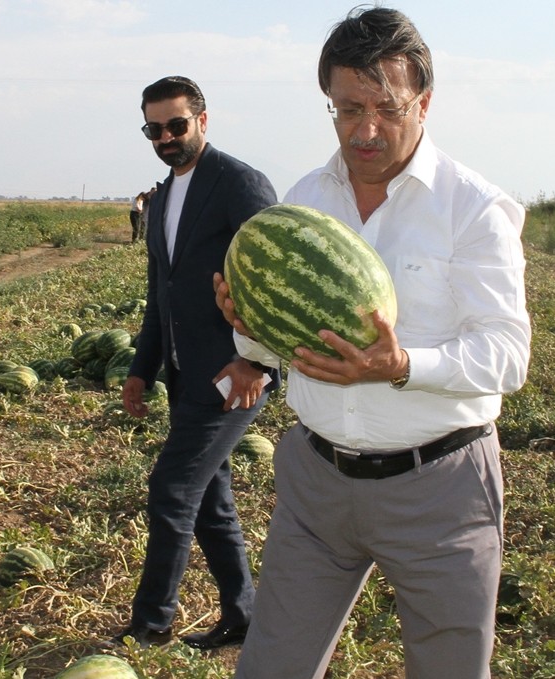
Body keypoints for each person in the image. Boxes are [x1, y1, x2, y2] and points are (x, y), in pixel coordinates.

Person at [215, 8, 530, 678]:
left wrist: (401, 365)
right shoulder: (303, 202)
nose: (365, 129)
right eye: (347, 107)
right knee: (271, 666)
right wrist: (245, 320)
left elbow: (507, 354)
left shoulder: (471, 207)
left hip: (439, 487)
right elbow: (273, 348)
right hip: (317, 481)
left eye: (387, 107)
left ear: (425, 100)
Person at [103, 76, 278, 652]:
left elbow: (273, 281)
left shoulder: (239, 183)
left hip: (234, 375)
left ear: (203, 119)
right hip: (185, 374)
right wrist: (141, 367)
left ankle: (152, 623)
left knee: (173, 490)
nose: (166, 137)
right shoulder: (160, 198)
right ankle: (243, 617)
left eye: (177, 125)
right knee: (208, 498)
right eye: (154, 128)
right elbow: (163, 293)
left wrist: (256, 362)